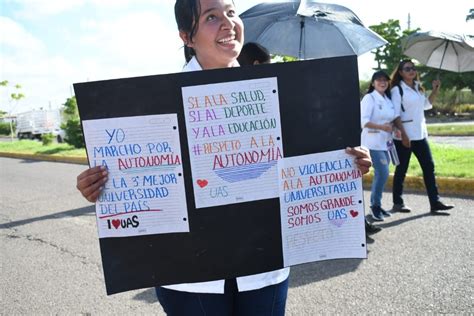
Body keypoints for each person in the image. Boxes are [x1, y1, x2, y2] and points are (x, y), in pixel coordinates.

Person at [76, 1, 373, 314]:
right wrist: (98, 185)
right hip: (190, 279)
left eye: (231, 13)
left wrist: (346, 165)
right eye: (211, 17)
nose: (228, 23)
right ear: (186, 37)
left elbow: (307, 163)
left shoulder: (279, 93)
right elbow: (135, 179)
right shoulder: (151, 104)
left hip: (264, 272)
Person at [390, 59, 454, 214]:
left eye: (413, 68)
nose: (411, 70)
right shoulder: (397, 90)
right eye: (407, 68)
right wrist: (404, 136)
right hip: (404, 136)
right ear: (400, 72)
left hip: (420, 134)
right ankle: (397, 202)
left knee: (429, 167)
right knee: (402, 169)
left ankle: (435, 202)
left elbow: (426, 105)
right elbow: (395, 114)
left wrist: (435, 90)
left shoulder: (418, 87)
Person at [361, 71, 400, 227]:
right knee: (383, 172)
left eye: (385, 80)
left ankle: (377, 204)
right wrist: (382, 127)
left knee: (383, 173)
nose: (382, 82)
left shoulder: (387, 99)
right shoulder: (369, 98)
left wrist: (393, 128)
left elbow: (389, 119)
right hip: (371, 142)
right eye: (379, 80)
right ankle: (375, 207)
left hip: (385, 142)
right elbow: (363, 122)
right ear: (373, 83)